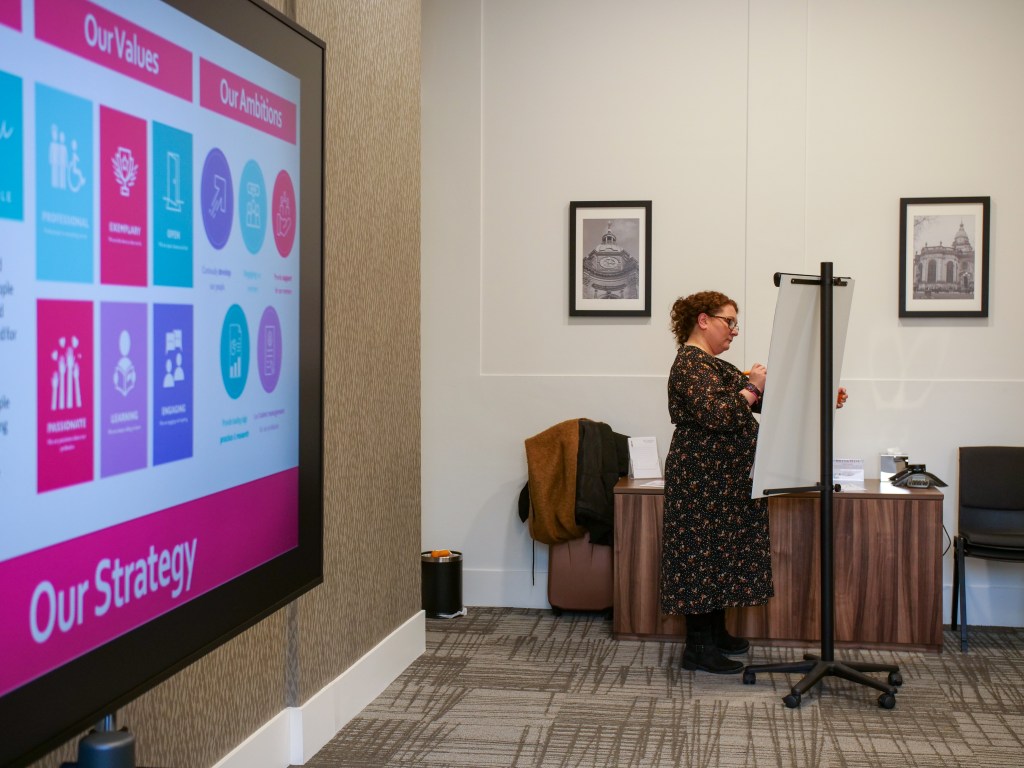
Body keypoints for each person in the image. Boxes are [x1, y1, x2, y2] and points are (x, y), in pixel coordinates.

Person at [660, 290, 847, 675]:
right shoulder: (690, 364)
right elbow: (719, 413)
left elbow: (765, 404)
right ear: (703, 320)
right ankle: (698, 648)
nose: (734, 330)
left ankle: (716, 634)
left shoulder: (716, 366)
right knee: (701, 558)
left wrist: (823, 398)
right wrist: (753, 386)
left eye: (735, 323)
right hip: (700, 481)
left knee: (720, 556)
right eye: (729, 321)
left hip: (723, 483)